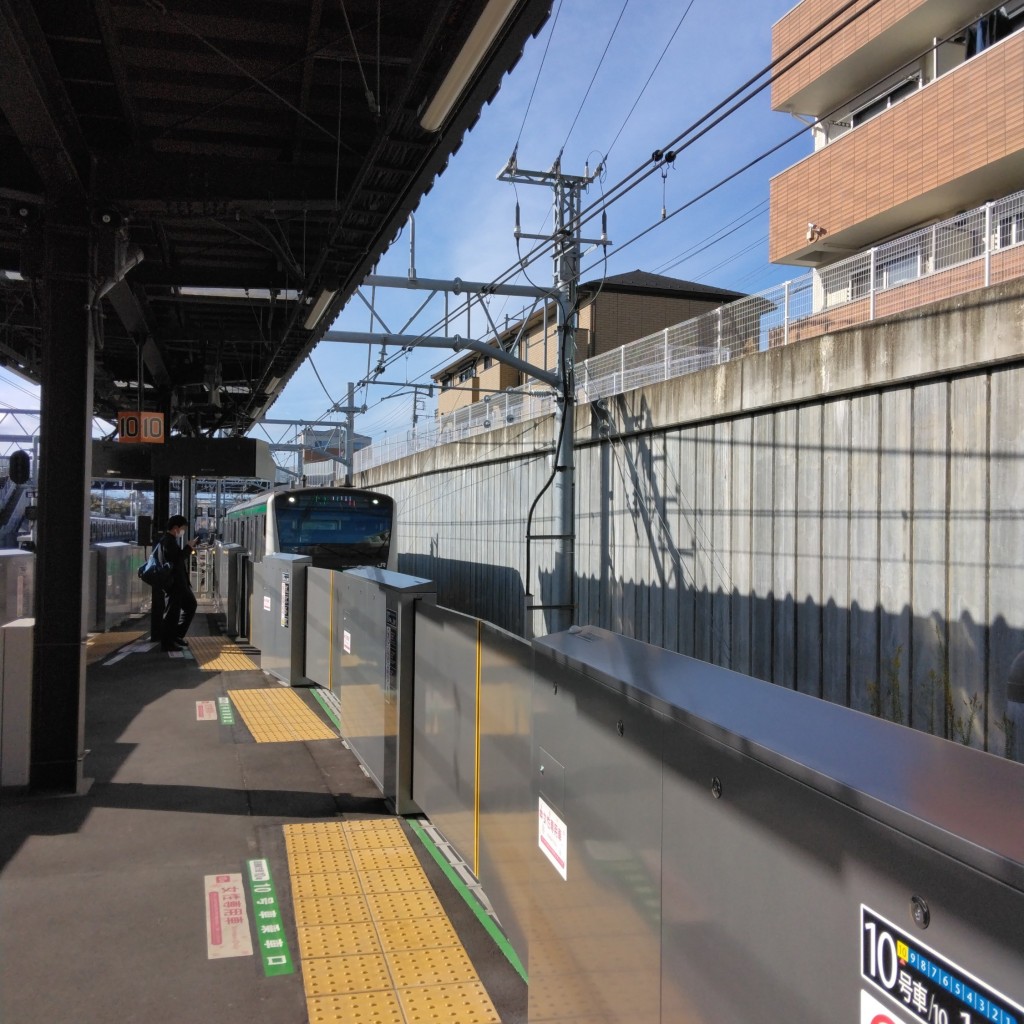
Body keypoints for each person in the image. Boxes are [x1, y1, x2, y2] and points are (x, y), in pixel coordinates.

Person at [158, 514, 199, 651]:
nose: (183, 532)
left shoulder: (170, 540)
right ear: (175, 528)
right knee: (172, 613)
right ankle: (167, 642)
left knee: (190, 606)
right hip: (174, 584)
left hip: (179, 583)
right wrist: (188, 548)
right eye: (182, 529)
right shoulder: (168, 541)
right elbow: (177, 560)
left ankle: (176, 635)